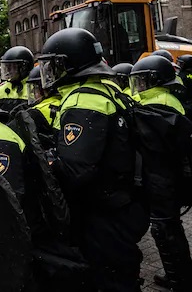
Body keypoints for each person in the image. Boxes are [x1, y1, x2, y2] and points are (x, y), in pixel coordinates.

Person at [39, 28, 149, 291]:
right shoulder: (107, 89)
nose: (49, 73)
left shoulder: (82, 100)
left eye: (54, 66)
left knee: (108, 280)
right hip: (124, 202)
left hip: (102, 213)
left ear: (71, 64)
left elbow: (75, 170)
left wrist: (47, 164)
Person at [129, 55, 192, 291]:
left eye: (142, 81)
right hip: (166, 174)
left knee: (165, 229)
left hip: (162, 177)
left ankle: (179, 280)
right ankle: (180, 275)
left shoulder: (158, 102)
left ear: (155, 80)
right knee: (169, 228)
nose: (138, 87)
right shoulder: (164, 98)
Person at [26, 66, 61, 152]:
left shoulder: (36, 112)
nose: (33, 92)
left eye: (35, 88)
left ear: (45, 89)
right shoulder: (67, 102)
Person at [0, 46, 34, 114]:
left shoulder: (34, 88)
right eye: (6, 66)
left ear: (23, 67)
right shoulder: (1, 89)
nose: (8, 70)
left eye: (12, 67)